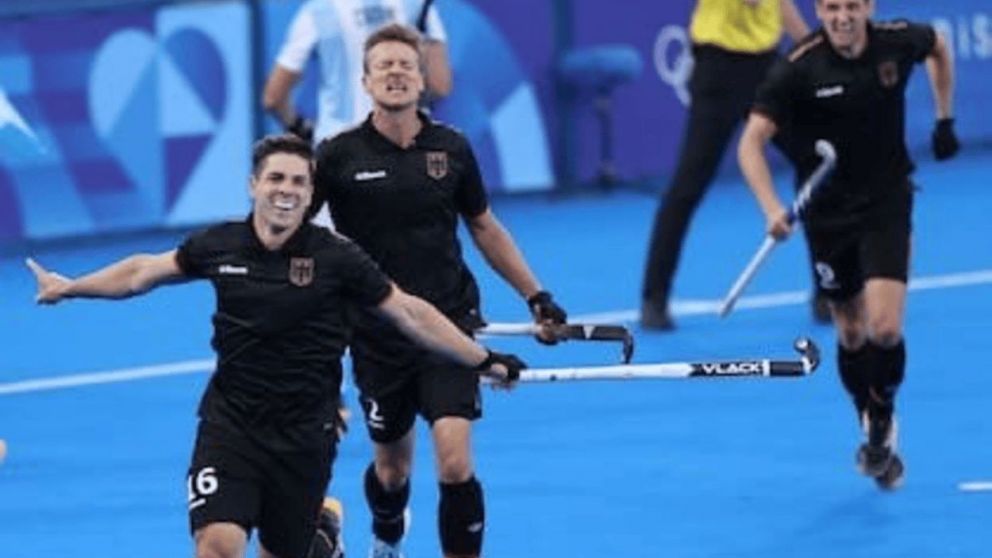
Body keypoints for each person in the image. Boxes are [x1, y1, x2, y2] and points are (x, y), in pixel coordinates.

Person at [26, 134, 526, 558]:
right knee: (217, 544)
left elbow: (410, 313)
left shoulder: (338, 259)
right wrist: (71, 287)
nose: (286, 191)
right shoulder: (218, 245)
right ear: (254, 185)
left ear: (311, 195)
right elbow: (141, 273)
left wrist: (482, 358)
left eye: (298, 182)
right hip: (232, 426)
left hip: (306, 435)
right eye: (276, 179)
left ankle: (322, 534)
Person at [312, 24, 568, 558]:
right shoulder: (338, 156)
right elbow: (299, 238)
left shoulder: (451, 149)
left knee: (454, 460)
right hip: (377, 335)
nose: (396, 72)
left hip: (449, 328)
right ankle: (387, 535)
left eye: (406, 64)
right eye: (384, 65)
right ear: (365, 80)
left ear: (423, 78)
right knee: (391, 470)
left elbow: (484, 227)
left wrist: (536, 295)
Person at [737, 0, 958, 489]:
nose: (841, 16)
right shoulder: (799, 67)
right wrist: (771, 208)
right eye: (832, 7)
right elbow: (750, 143)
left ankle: (882, 415)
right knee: (852, 333)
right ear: (820, 10)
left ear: (868, 8)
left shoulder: (897, 41)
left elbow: (940, 48)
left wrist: (945, 119)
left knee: (883, 327)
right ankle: (867, 417)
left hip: (886, 203)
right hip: (827, 216)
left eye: (851, 6)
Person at [641, 0, 813, 330]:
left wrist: (811, 48)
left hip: (766, 65)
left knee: (813, 166)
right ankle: (654, 298)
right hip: (718, 66)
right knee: (687, 186)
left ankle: (829, 288)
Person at [262, 0, 452, 144]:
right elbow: (439, 85)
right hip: (403, 145)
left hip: (337, 145)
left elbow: (273, 97)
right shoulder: (418, 5)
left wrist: (300, 128)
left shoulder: (317, 11)